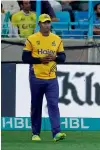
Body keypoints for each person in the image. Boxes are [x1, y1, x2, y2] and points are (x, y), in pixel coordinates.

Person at [22, 13, 66, 142]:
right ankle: (35, 133)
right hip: (36, 76)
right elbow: (25, 58)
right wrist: (40, 60)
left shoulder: (57, 39)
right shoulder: (32, 39)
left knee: (53, 104)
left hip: (52, 77)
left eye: (48, 22)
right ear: (39, 24)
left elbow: (63, 57)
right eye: (44, 23)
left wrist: (55, 58)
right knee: (36, 105)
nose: (47, 25)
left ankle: (56, 133)